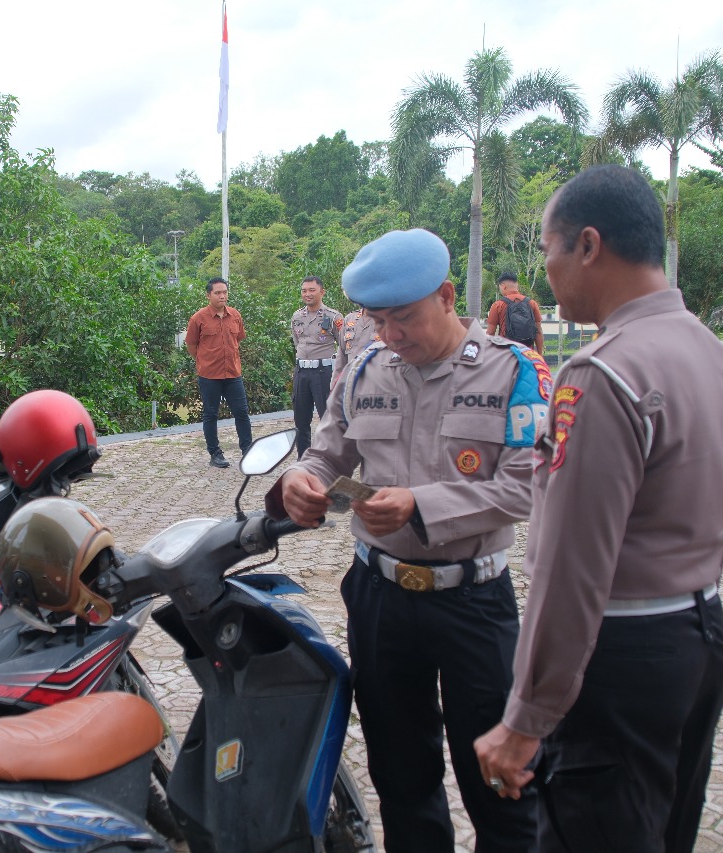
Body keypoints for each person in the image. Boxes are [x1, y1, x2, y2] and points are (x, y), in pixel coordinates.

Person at [474, 165, 723, 853]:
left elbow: (574, 572)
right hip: (697, 637)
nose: (547, 273)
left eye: (549, 251)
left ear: (590, 246)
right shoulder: (715, 357)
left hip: (618, 661)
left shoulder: (602, 376)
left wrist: (526, 718)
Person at [269, 228, 551, 852]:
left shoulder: (514, 371)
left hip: (474, 602)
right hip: (381, 597)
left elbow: (530, 486)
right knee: (401, 775)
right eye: (378, 320)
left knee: (500, 783)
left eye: (404, 318)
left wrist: (423, 503)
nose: (390, 335)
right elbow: (325, 450)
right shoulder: (368, 369)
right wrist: (301, 479)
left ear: (448, 296)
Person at [185, 277, 253, 468]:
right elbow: (191, 345)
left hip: (233, 374)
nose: (222, 296)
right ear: (208, 295)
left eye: (224, 292)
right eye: (217, 293)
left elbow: (238, 339)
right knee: (211, 414)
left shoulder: (235, 315)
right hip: (209, 375)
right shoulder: (198, 318)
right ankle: (215, 454)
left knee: (242, 413)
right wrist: (204, 360)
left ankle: (248, 451)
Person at [289, 275, 344, 458]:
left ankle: (329, 458)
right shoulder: (297, 316)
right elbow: (298, 343)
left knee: (327, 418)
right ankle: (303, 459)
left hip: (323, 372)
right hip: (302, 372)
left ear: (322, 292)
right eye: (304, 290)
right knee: (301, 420)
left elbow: (343, 346)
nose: (307, 294)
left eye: (312, 290)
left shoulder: (333, 316)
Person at [485, 271, 545, 353]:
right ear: (517, 285)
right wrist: (539, 356)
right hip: (528, 353)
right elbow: (538, 332)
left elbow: (490, 333)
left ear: (503, 286)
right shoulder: (532, 303)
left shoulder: (498, 305)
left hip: (507, 354)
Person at [333, 304, 379, 378]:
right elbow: (341, 355)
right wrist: (334, 385)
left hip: (376, 379)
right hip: (351, 379)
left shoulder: (386, 320)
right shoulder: (350, 319)